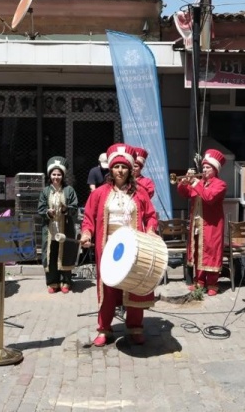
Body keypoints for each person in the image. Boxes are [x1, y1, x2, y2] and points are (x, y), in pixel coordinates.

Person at [80, 143, 158, 346]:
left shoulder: (139, 193)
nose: (120, 171)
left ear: (130, 169)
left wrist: (150, 230)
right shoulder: (98, 194)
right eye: (116, 167)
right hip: (107, 248)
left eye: (124, 167)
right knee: (107, 290)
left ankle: (135, 327)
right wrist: (87, 233)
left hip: (133, 248)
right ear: (110, 169)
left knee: (133, 286)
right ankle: (104, 329)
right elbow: (88, 217)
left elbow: (151, 216)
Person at [177, 149, 227, 296]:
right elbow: (184, 193)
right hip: (197, 224)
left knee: (211, 251)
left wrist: (196, 183)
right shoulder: (199, 182)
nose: (204, 170)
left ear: (215, 169)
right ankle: (199, 281)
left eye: (208, 167)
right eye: (203, 167)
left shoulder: (220, 184)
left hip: (212, 225)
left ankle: (212, 284)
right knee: (198, 251)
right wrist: (183, 182)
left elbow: (209, 198)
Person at [38, 156, 79, 294]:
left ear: (63, 175)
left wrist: (65, 209)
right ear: (50, 175)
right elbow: (40, 208)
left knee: (65, 253)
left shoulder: (69, 190)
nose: (56, 177)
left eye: (59, 174)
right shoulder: (45, 191)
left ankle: (66, 281)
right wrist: (47, 212)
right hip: (50, 229)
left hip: (65, 227)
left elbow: (74, 207)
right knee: (51, 253)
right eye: (54, 174)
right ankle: (52, 282)